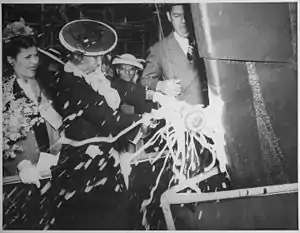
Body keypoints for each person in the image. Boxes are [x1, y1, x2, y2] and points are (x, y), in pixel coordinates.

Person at [48, 19, 168, 230]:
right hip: (85, 164)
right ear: (78, 56)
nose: (99, 62)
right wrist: (152, 120)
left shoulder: (91, 76)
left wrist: (156, 94)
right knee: (100, 218)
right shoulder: (70, 83)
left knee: (117, 211)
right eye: (94, 57)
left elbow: (121, 87)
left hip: (103, 157)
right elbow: (108, 120)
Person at [2, 19, 63, 230]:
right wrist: (20, 163)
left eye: (36, 55)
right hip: (24, 175)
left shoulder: (43, 84)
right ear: (11, 60)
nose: (34, 61)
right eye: (27, 57)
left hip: (51, 166)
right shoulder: (4, 93)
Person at [140, 3, 208, 106]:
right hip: (179, 113)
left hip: (209, 112)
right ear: (169, 17)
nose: (183, 21)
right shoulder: (159, 49)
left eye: (187, 16)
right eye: (177, 16)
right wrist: (160, 85)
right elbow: (144, 81)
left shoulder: (208, 43)